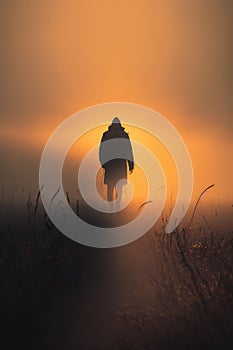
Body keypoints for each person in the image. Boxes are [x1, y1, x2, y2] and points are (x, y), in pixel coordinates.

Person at [99, 117, 134, 203]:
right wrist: (131, 165)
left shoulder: (106, 135)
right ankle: (117, 206)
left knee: (110, 186)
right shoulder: (124, 135)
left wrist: (103, 163)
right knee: (120, 186)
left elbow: (102, 149)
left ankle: (111, 207)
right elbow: (128, 150)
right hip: (120, 164)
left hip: (109, 163)